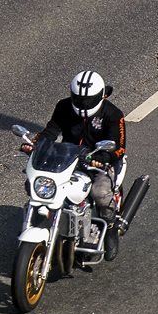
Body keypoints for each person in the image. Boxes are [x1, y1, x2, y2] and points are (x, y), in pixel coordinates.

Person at [22, 70, 127, 260]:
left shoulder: (113, 114)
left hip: (99, 162)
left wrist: (103, 158)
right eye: (79, 99)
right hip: (68, 158)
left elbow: (119, 148)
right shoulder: (63, 107)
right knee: (37, 183)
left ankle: (110, 228)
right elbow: (51, 130)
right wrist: (37, 145)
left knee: (101, 194)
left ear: (102, 95)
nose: (83, 104)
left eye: (88, 100)